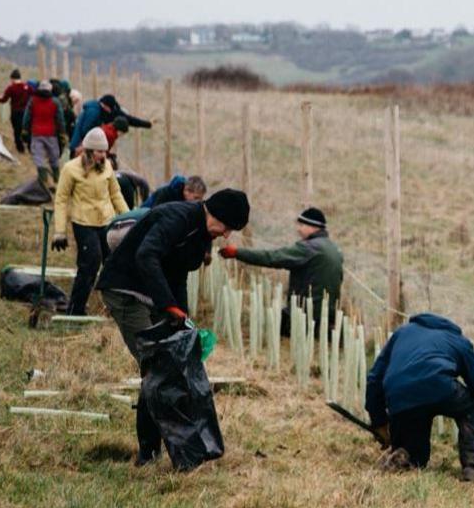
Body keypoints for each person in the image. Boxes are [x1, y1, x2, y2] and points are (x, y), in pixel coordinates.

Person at [95, 189, 249, 465]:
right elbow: (146, 256)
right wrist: (168, 304)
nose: (226, 235)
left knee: (167, 364)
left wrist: (182, 319)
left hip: (149, 293)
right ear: (216, 214)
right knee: (156, 365)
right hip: (125, 289)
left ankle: (165, 449)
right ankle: (148, 452)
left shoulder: (202, 234)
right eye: (227, 227)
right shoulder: (177, 217)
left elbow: (178, 274)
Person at [364, 314, 474, 482]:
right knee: (470, 407)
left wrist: (379, 422)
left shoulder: (403, 332)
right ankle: (471, 465)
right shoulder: (459, 342)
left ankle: (403, 455)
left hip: (399, 393)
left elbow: (374, 378)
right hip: (440, 387)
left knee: (416, 457)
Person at [221, 207, 342, 336]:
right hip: (327, 316)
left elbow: (272, 257)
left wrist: (237, 253)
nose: (298, 229)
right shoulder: (333, 248)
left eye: (302, 225)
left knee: (273, 325)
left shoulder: (309, 248)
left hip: (306, 316)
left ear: (314, 227)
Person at [51, 128, 129, 316]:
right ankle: (76, 310)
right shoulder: (71, 169)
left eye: (105, 151)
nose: (103, 155)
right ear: (88, 151)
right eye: (99, 151)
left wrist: (128, 218)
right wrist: (59, 231)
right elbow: (61, 199)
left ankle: (115, 309)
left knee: (112, 264)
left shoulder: (107, 166)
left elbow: (115, 193)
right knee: (90, 264)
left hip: (106, 221)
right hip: (84, 223)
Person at [70, 94, 151, 157]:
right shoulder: (94, 113)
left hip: (84, 147)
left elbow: (127, 118)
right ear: (105, 106)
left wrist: (147, 124)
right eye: (110, 109)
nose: (111, 111)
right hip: (79, 146)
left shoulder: (101, 110)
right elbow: (85, 131)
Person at [21, 80, 66, 193]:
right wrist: (62, 133)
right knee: (54, 158)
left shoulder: (33, 101)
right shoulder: (55, 102)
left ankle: (44, 182)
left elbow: (27, 117)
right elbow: (60, 120)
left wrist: (25, 130)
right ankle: (57, 181)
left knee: (39, 157)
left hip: (36, 133)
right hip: (51, 134)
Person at [0, 69, 32, 153]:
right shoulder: (27, 87)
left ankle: (20, 148)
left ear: (12, 78)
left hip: (15, 112)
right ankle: (29, 146)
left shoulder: (11, 88)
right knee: (26, 129)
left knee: (17, 130)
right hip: (26, 112)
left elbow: (4, 100)